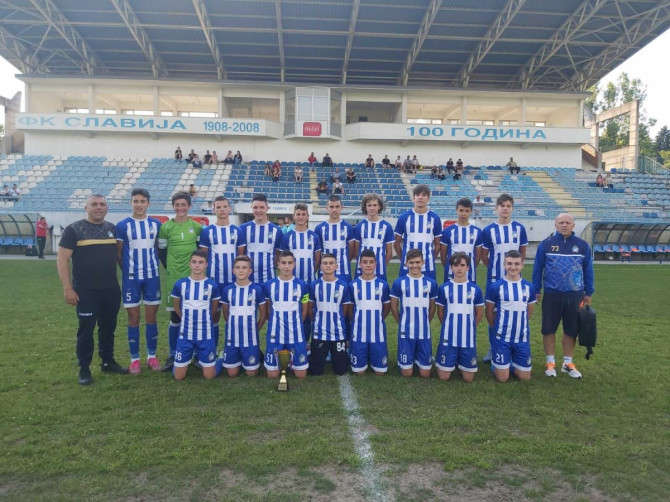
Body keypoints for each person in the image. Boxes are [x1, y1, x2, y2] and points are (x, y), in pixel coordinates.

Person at [57, 194, 128, 385]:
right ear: (86, 208)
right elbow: (62, 260)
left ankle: (107, 362)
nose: (99, 207)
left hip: (111, 289)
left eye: (102, 204)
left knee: (108, 328)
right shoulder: (74, 230)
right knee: (86, 330)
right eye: (94, 204)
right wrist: (67, 288)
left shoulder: (112, 229)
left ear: (107, 208)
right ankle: (84, 368)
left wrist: (130, 277)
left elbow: (119, 257)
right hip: (86, 291)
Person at [532, 213, 594, 379]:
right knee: (548, 329)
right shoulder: (546, 244)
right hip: (552, 293)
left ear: (573, 225)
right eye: (561, 222)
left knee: (571, 330)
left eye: (567, 223)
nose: (564, 225)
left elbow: (588, 269)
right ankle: (550, 363)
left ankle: (567, 363)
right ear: (555, 224)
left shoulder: (582, 246)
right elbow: (537, 269)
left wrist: (589, 292)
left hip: (575, 295)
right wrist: (536, 290)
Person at [116, 188, 163, 374]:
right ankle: (134, 359)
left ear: (148, 203)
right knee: (133, 317)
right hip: (131, 279)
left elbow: (158, 249)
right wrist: (129, 271)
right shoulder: (122, 225)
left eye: (142, 201)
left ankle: (152, 356)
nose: (139, 204)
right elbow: (119, 253)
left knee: (151, 318)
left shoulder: (156, 224)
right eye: (135, 201)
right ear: (131, 203)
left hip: (152, 277)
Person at [157, 191, 202, 372]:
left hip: (194, 278)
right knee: (175, 316)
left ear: (189, 206)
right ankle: (173, 354)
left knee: (196, 314)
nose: (180, 208)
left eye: (184, 205)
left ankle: (198, 355)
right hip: (174, 277)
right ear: (173, 206)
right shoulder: (166, 227)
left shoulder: (196, 227)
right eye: (177, 205)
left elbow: (199, 250)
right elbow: (161, 251)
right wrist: (170, 268)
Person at [481, 194, 528, 363]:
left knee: (515, 312)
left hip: (514, 280)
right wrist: (495, 269)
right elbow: (484, 255)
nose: (505, 209)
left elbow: (522, 252)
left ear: (512, 208)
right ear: (496, 208)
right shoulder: (488, 230)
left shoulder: (519, 229)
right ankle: (493, 347)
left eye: (508, 206)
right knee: (493, 313)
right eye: (502, 206)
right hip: (494, 280)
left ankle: (513, 346)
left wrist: (514, 270)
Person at [199, 196, 246, 351]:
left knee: (233, 317)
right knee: (213, 316)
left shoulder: (237, 231)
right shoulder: (207, 232)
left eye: (224, 206)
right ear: (213, 209)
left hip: (232, 282)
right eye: (218, 207)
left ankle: (231, 350)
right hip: (214, 282)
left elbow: (240, 257)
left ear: (229, 208)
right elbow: (204, 257)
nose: (222, 210)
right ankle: (211, 351)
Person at [485, 250, 536, 383]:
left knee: (525, 378)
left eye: (516, 264)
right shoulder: (496, 287)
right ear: (504, 265)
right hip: (502, 338)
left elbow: (529, 312)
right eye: (509, 263)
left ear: (522, 265)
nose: (513, 267)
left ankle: (510, 362)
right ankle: (496, 363)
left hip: (521, 338)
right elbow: (489, 311)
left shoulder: (529, 287)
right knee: (503, 378)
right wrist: (495, 327)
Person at [171, 250, 220, 380]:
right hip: (186, 335)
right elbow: (177, 307)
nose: (197, 265)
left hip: (206, 335)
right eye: (194, 262)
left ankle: (221, 358)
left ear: (206, 264)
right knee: (178, 377)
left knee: (209, 376)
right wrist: (186, 319)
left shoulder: (212, 285)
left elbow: (213, 309)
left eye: (200, 262)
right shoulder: (180, 284)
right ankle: (180, 362)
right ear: (189, 264)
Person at [435, 252, 485, 382]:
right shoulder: (444, 288)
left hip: (467, 337)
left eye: (462, 265)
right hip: (449, 336)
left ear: (468, 267)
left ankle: (459, 361)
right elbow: (440, 312)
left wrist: (471, 326)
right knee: (444, 377)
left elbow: (479, 312)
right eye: (456, 265)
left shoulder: (475, 289)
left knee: (468, 379)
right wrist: (447, 326)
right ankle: (449, 360)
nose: (459, 268)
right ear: (451, 267)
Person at [390, 249, 438, 378]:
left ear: (423, 262)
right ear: (406, 263)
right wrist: (401, 322)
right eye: (411, 262)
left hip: (424, 331)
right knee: (407, 374)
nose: (414, 265)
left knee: (425, 374)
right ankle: (410, 358)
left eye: (417, 262)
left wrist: (426, 321)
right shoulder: (399, 282)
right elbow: (393, 307)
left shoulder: (431, 283)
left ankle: (420, 357)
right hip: (406, 332)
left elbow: (432, 307)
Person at [264, 250, 309, 379]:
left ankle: (301, 354)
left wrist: (297, 324)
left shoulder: (302, 285)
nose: (286, 266)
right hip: (275, 333)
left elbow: (304, 310)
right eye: (283, 263)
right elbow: (268, 308)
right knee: (272, 376)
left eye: (289, 263)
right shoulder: (269, 285)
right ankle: (284, 360)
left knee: (301, 375)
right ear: (278, 264)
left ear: (294, 264)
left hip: (295, 333)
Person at [219, 256, 267, 378]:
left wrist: (256, 329)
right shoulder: (227, 290)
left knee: (251, 374)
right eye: (238, 267)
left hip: (250, 338)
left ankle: (256, 356)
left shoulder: (257, 289)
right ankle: (222, 356)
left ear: (250, 271)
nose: (241, 270)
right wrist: (232, 325)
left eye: (244, 268)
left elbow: (263, 314)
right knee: (232, 374)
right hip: (232, 337)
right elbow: (225, 313)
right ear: (233, 270)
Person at [308, 253, 352, 376]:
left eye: (331, 263)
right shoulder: (314, 285)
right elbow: (310, 309)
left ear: (336, 266)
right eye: (325, 263)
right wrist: (317, 321)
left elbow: (345, 310)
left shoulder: (343, 286)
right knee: (315, 371)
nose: (328, 266)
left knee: (341, 370)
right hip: (319, 333)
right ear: (321, 266)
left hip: (338, 333)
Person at [349, 249, 391, 375]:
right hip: (358, 332)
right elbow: (350, 309)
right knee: (359, 372)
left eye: (371, 262)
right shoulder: (353, 285)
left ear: (375, 264)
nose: (368, 265)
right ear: (360, 264)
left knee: (380, 372)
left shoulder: (383, 285)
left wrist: (378, 319)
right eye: (365, 262)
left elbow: (386, 307)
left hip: (377, 332)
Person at [394, 184, 442, 280]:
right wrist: (404, 259)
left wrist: (430, 259)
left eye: (424, 195)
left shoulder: (435, 218)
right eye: (417, 195)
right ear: (413, 198)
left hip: (428, 266)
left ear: (428, 198)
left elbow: (438, 245)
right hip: (407, 265)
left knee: (429, 289)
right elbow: (396, 244)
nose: (420, 197)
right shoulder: (404, 217)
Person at [240, 194, 283, 284]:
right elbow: (240, 253)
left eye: (262, 207)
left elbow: (278, 254)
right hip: (248, 279)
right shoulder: (243, 229)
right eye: (255, 207)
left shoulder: (277, 231)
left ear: (267, 208)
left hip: (269, 279)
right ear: (251, 208)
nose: (258, 210)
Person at [440, 198, 483, 284]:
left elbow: (478, 256)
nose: (463, 213)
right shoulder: (447, 231)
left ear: (471, 212)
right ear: (456, 210)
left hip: (470, 273)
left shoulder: (477, 231)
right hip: (451, 273)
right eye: (461, 210)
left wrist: (470, 266)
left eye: (467, 211)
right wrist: (451, 266)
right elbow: (443, 255)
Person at [353, 194, 395, 283]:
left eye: (375, 205)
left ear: (379, 206)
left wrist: (382, 265)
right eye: (369, 205)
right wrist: (363, 263)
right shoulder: (359, 226)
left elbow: (389, 253)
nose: (372, 208)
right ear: (365, 207)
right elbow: (356, 251)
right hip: (362, 269)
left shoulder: (387, 226)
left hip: (379, 269)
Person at [281, 203, 322, 284]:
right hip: (292, 281)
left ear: (307, 216)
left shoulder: (314, 236)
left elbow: (317, 260)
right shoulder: (287, 237)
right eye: (298, 214)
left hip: (310, 281)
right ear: (294, 216)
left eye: (303, 214)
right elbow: (283, 259)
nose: (301, 217)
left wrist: (311, 272)